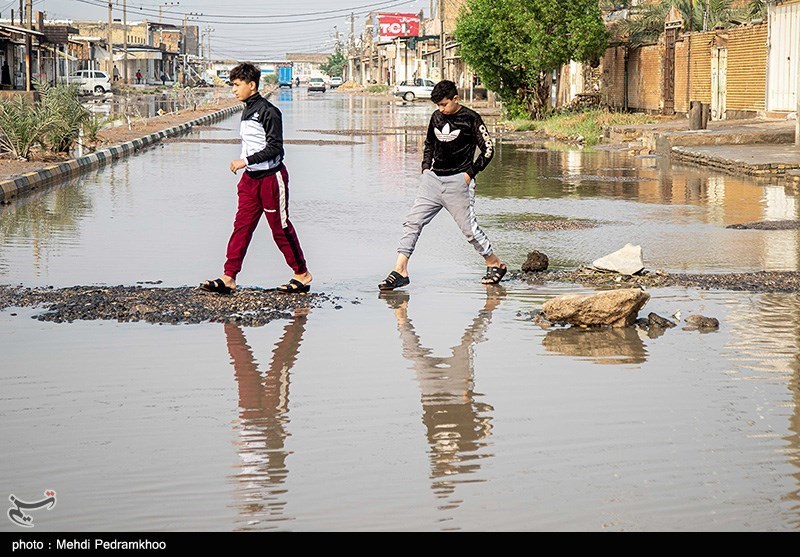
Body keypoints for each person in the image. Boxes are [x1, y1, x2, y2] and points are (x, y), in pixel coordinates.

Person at [378, 79, 506, 291]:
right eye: (438, 105)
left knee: (469, 231)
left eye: (444, 104)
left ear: (456, 99)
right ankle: (400, 270)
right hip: (433, 180)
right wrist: (425, 168)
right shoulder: (436, 117)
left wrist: (470, 173)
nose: (441, 109)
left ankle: (494, 263)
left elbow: (488, 149)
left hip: (459, 182)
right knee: (412, 222)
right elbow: (429, 143)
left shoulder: (471, 118)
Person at [200, 62, 312, 295]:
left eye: (237, 85)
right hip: (250, 181)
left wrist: (245, 161)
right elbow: (252, 143)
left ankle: (301, 274)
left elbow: (275, 148)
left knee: (280, 228)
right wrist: (246, 165)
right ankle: (229, 277)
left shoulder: (269, 111)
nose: (233, 90)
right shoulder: (246, 109)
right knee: (241, 226)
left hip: (272, 179)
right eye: (233, 85)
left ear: (252, 85)